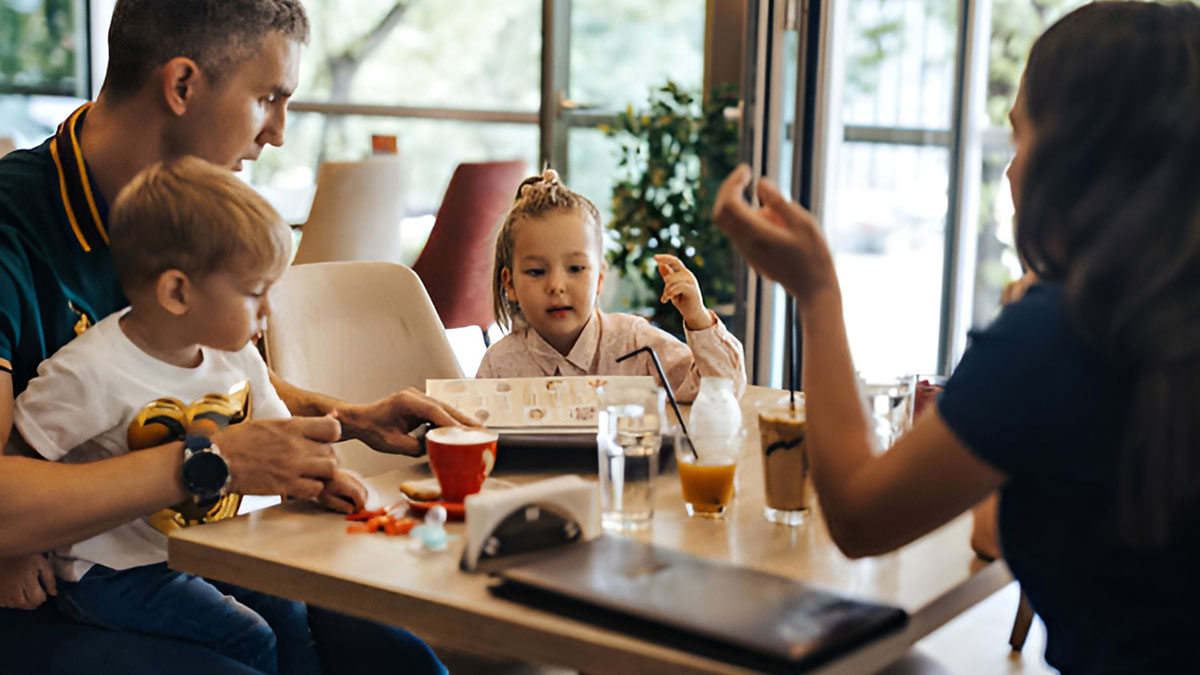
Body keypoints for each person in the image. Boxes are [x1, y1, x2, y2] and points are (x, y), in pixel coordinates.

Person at [713, 2, 1200, 672]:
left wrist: (816, 294)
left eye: (1023, 137)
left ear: (1083, 157)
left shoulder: (1061, 333)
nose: (1011, 171)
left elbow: (859, 518)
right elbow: (993, 533)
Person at [0, 1, 469, 672]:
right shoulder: (13, 227)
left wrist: (351, 420)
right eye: (268, 98)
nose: (278, 133)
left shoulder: (182, 218)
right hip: (62, 587)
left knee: (396, 655)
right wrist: (208, 460)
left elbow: (203, 378)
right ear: (182, 85)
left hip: (182, 550)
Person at [9, 157, 367, 674]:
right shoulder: (89, 370)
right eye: (254, 293)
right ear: (177, 292)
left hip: (198, 548)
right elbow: (17, 456)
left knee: (289, 606)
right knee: (249, 636)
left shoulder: (236, 354)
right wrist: (13, 554)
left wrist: (323, 481)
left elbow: (281, 437)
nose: (270, 311)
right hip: (110, 572)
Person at [476, 170, 746, 402]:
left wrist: (698, 319)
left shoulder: (635, 343)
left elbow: (724, 391)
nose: (556, 286)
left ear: (600, 278)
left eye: (575, 269)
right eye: (536, 272)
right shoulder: (499, 366)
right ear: (510, 284)